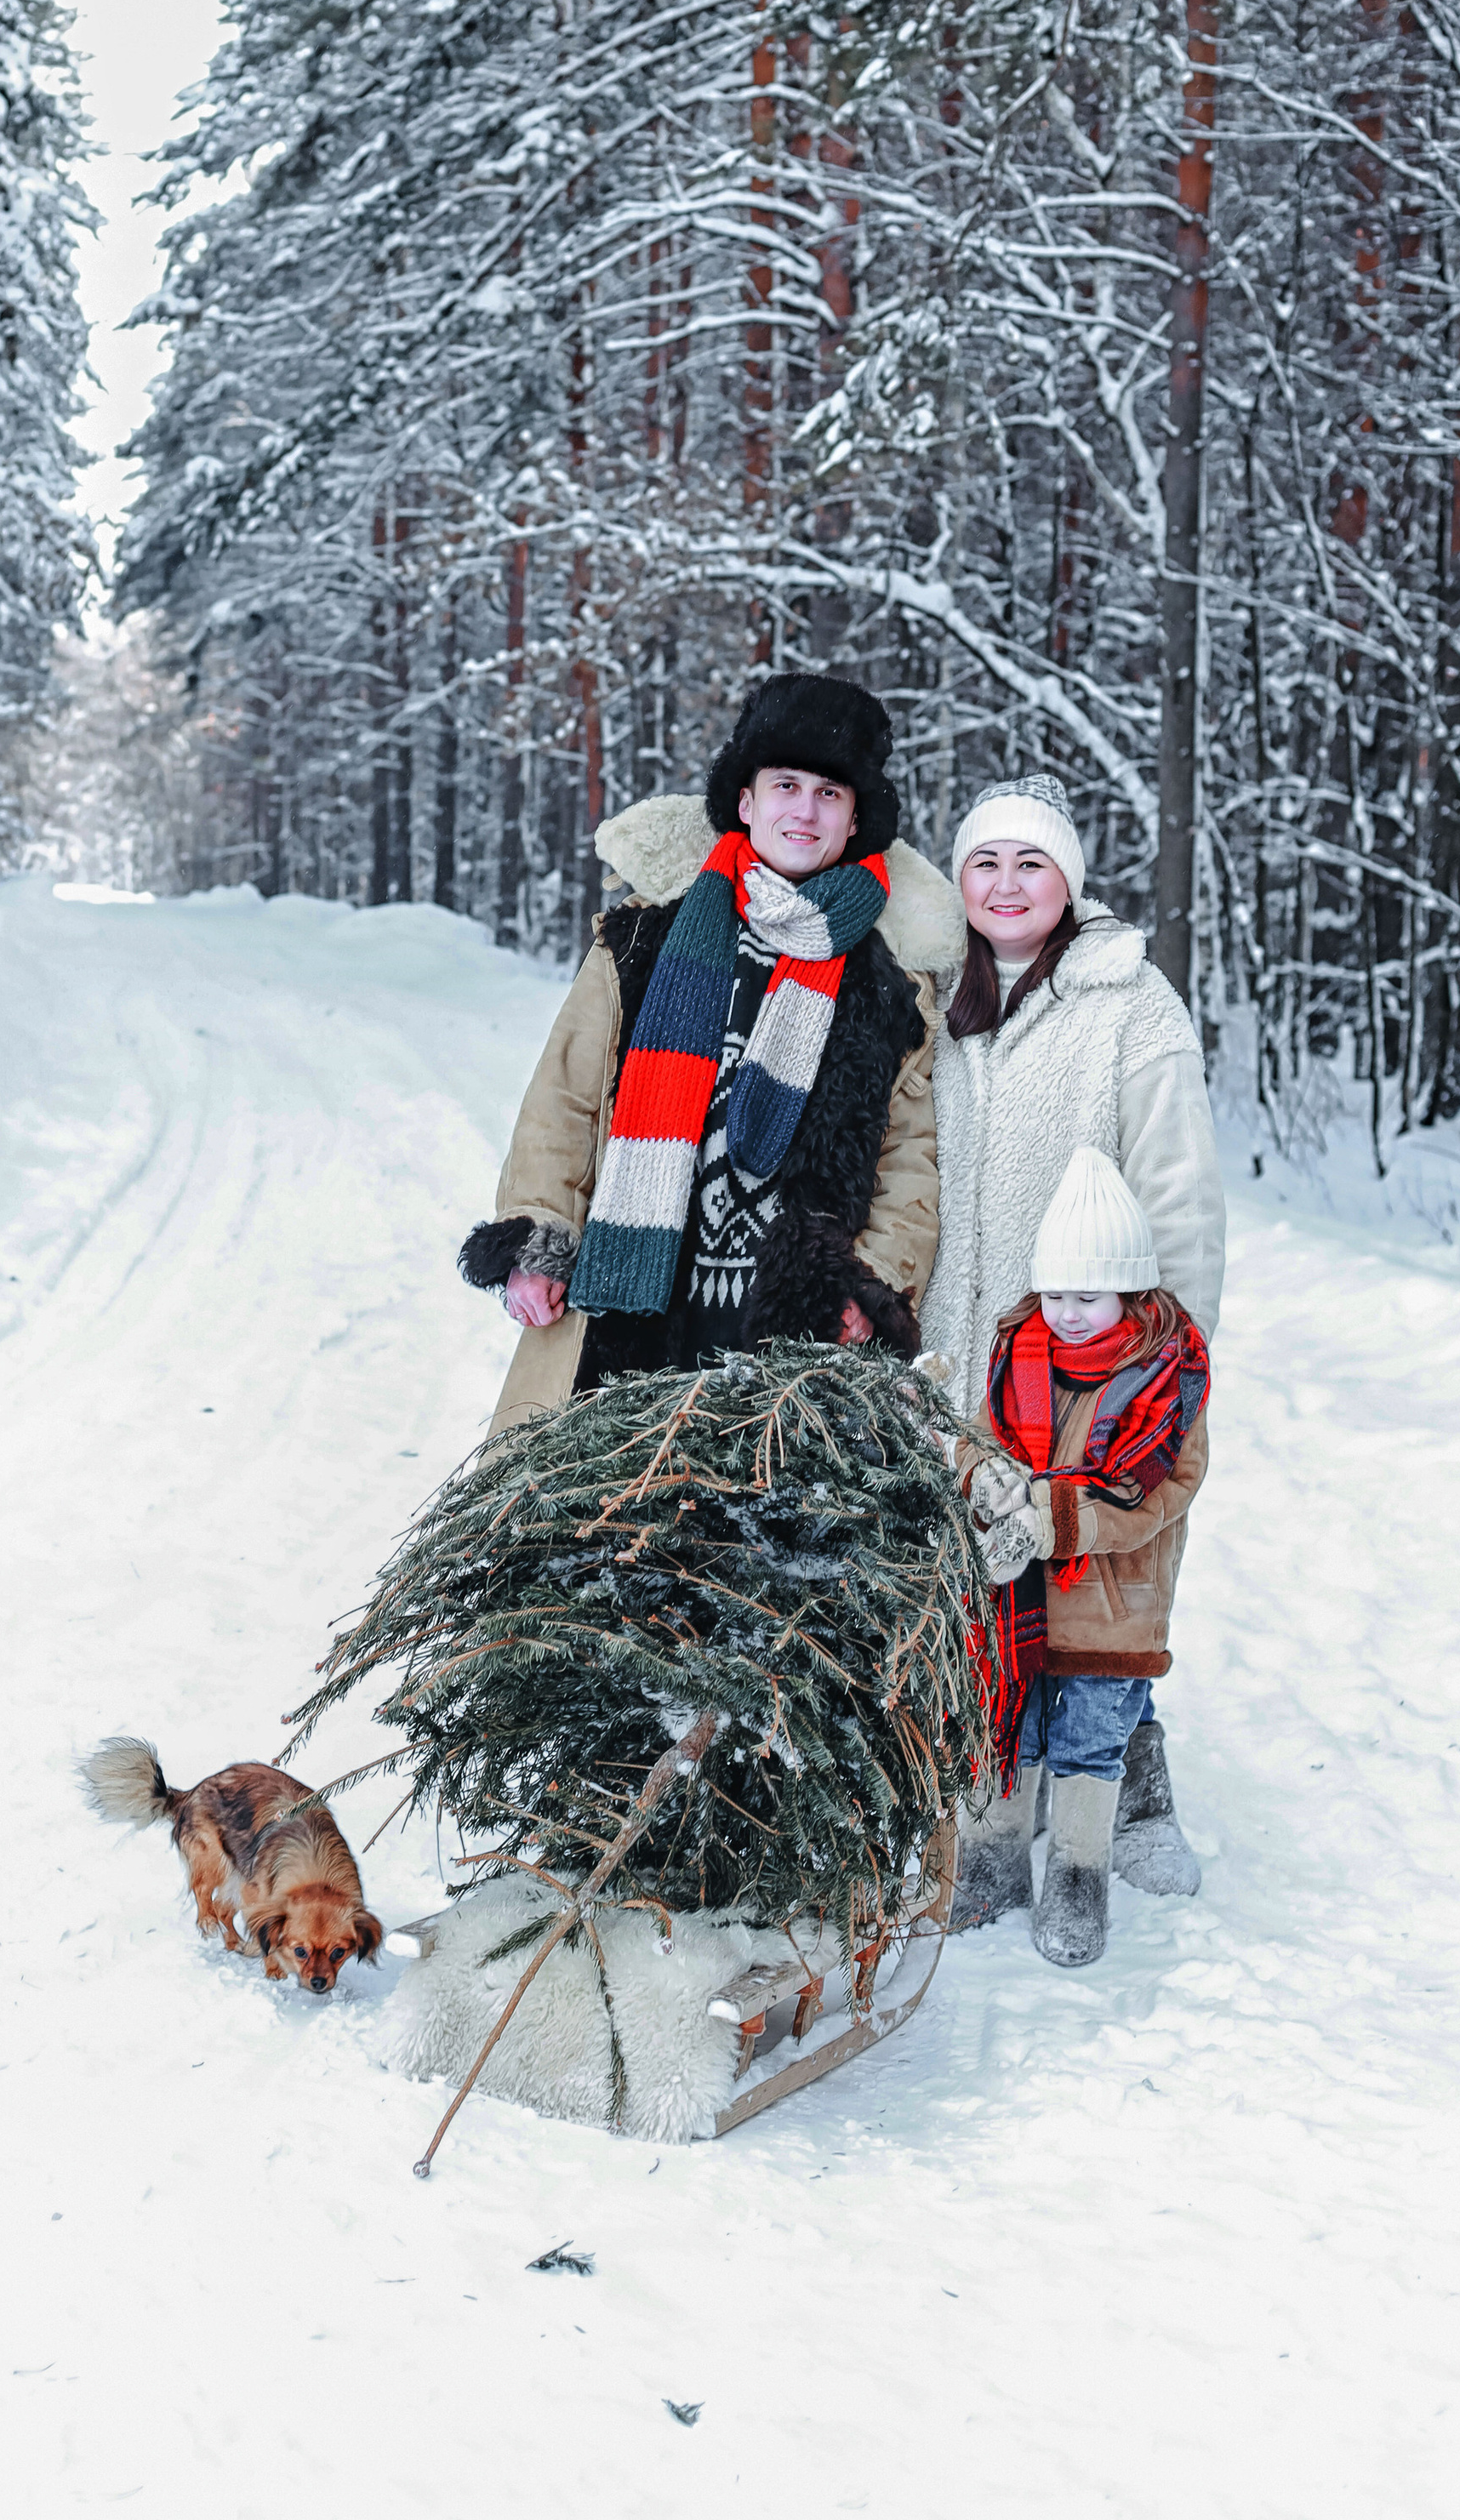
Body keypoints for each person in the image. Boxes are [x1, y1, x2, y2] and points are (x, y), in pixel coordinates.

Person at [459, 675, 966, 1438]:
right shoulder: (643, 940)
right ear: (745, 801)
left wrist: (871, 1288)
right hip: (628, 1316)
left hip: (791, 1339)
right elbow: (563, 1099)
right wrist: (536, 1230)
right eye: (785, 785)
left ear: (856, 817)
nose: (804, 809)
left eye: (830, 793)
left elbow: (908, 1159)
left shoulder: (890, 984)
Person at [917, 770, 1225, 1897]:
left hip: (1093, 1359)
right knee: (973, 1571)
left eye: (1032, 861)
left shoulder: (1131, 1005)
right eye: (985, 862)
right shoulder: (923, 991)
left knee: (1101, 1573)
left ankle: (1129, 1772)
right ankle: (988, 1793)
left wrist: (1173, 1355)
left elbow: (1181, 1196)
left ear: (1069, 881)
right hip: (957, 1350)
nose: (1006, 883)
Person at [950, 1148, 1212, 1965]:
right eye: (1056, 1293)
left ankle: (1077, 1876)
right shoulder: (1018, 1354)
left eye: (1087, 1297)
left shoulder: (1165, 1380)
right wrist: (986, 1480)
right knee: (1016, 1728)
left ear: (1130, 1293)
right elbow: (984, 1444)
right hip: (1024, 1603)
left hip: (1113, 1605)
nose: (1066, 1313)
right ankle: (995, 1863)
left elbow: (1159, 1497)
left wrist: (1059, 1521)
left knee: (1091, 1742)